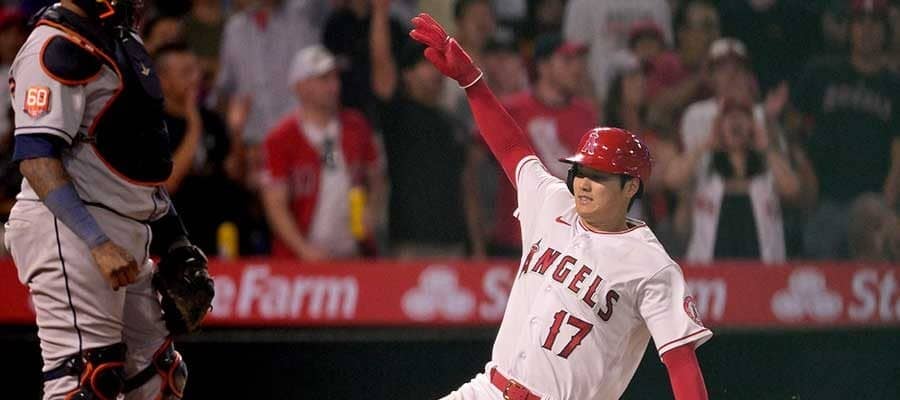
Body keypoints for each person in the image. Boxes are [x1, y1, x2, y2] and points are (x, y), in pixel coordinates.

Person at [410, 13, 711, 399]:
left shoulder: (651, 264)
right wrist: (472, 82)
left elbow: (681, 362)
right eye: (580, 171)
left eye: (598, 176)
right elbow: (511, 147)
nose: (582, 183)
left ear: (630, 186)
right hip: (488, 388)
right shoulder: (553, 200)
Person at [5, 1, 213, 398]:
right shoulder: (52, 45)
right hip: (70, 227)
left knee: (159, 377)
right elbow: (36, 158)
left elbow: (138, 163)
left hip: (123, 227)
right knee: (88, 380)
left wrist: (176, 241)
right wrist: (96, 241)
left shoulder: (120, 39)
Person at [467, 33, 597, 257]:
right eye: (567, 60)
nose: (577, 68)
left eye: (578, 61)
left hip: (570, 245)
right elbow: (471, 168)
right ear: (543, 67)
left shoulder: (586, 114)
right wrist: (478, 232)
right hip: (515, 239)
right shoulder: (513, 109)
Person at [790, 0, 900, 259]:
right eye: (860, 22)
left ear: (886, 31)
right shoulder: (820, 73)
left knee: (871, 269)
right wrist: (803, 168)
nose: (867, 30)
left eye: (875, 23)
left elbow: (899, 152)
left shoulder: (894, 86)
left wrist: (887, 204)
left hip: (872, 200)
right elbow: (792, 128)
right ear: (850, 28)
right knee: (820, 264)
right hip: (824, 200)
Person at [260, 45, 386, 260]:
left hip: (354, 255)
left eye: (335, 77)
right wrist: (304, 250)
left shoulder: (356, 126)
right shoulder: (280, 138)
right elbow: (275, 205)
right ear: (301, 86)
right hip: (302, 261)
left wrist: (372, 211)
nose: (334, 86)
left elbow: (377, 178)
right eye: (324, 79)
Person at [668, 99, 804, 263]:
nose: (736, 121)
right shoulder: (705, 168)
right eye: (729, 117)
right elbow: (672, 179)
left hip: (762, 271)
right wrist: (706, 144)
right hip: (711, 270)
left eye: (743, 117)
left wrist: (766, 148)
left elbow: (792, 189)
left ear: (753, 127)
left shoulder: (767, 171)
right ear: (719, 126)